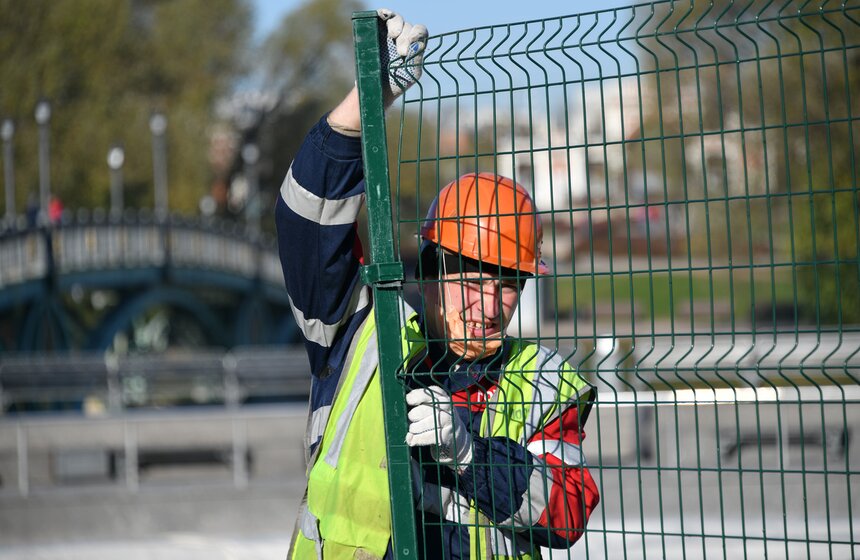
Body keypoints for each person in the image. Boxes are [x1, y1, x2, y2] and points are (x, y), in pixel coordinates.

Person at [277, 9, 599, 560]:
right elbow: (309, 220)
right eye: (470, 279)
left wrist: (473, 456)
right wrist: (365, 106)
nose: (489, 305)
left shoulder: (543, 385)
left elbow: (565, 513)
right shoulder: (359, 332)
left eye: (508, 285)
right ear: (429, 273)